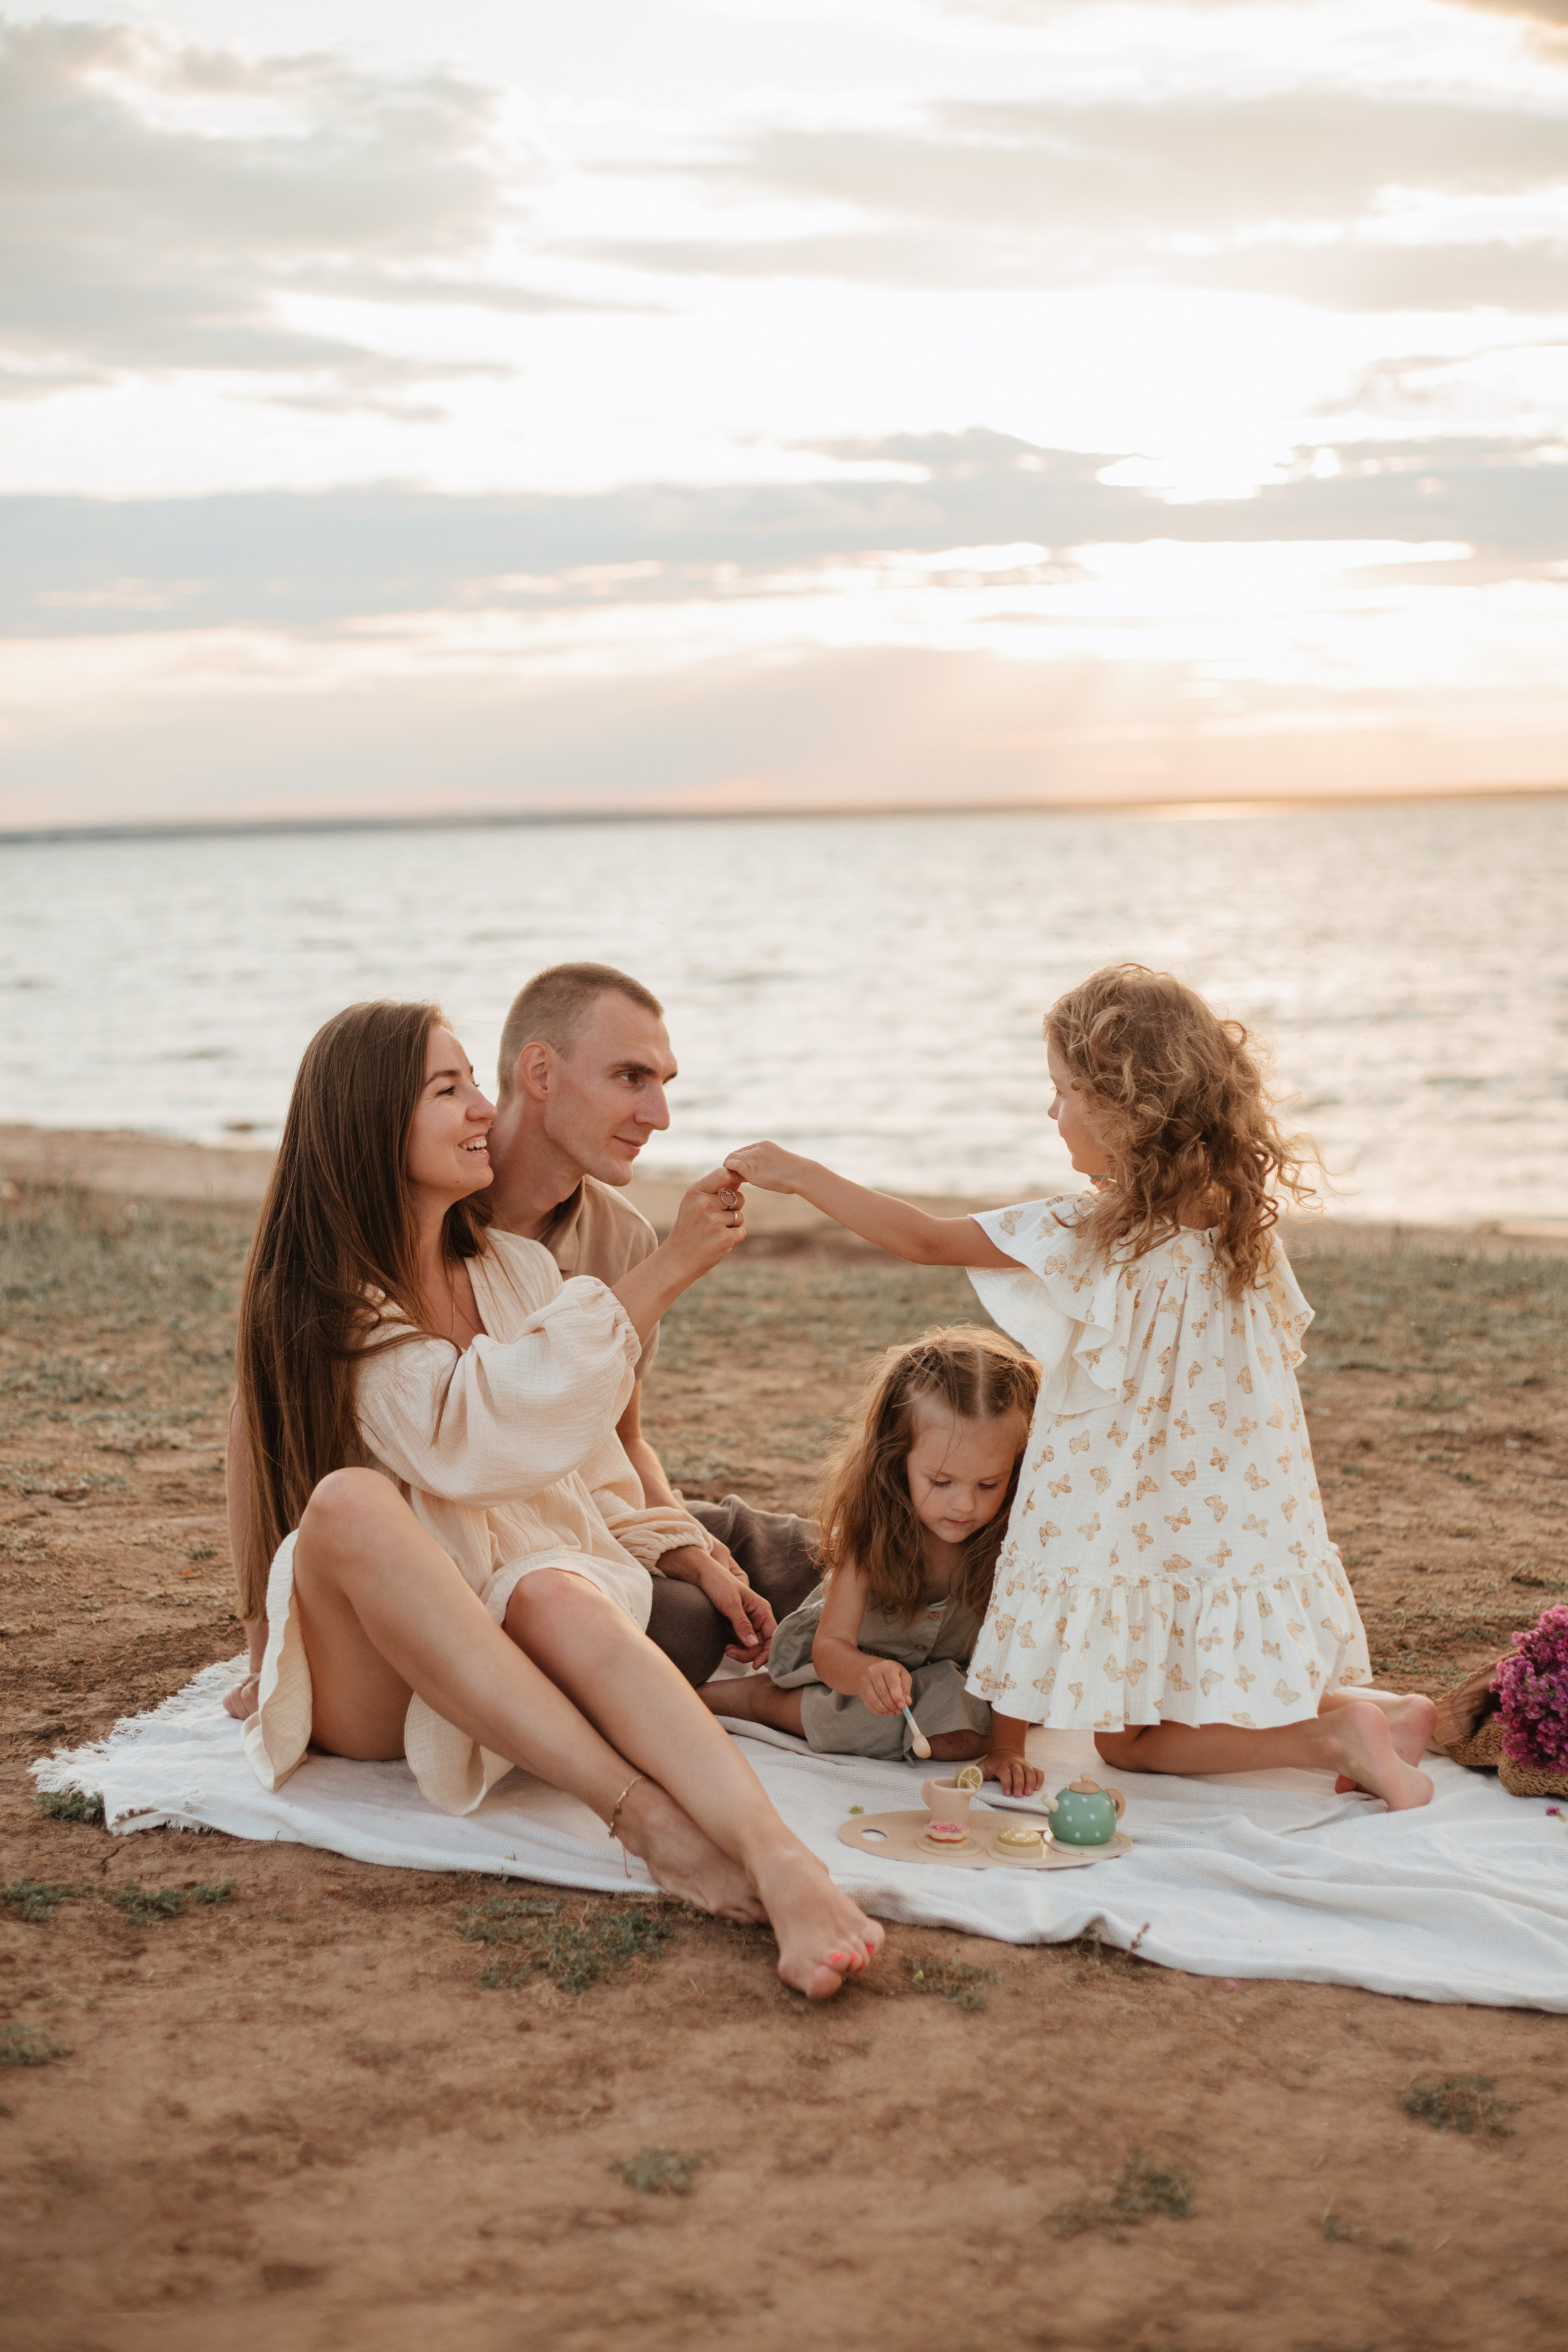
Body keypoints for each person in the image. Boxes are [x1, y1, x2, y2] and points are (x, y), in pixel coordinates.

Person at [235, 998, 883, 1999]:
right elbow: (467, 1436)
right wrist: (252, 1634)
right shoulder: (327, 1303)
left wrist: (684, 1546)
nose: (481, 1109)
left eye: (475, 1085)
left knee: (555, 1585)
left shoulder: (520, 1269)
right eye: (449, 1090)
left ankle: (780, 1857)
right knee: (355, 1504)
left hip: (513, 1638)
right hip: (388, 1671)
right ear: (372, 1122)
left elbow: (588, 1462)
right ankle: (645, 1820)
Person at [725, 964, 1438, 1810]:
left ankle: (1332, 1732)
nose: (1052, 1111)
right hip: (1228, 1510)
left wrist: (799, 1173)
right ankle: (1383, 1714)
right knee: (1186, 1689)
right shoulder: (1245, 1231)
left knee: (1127, 1745)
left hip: (1126, 1514)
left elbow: (922, 1238)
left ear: (1121, 1107)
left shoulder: (1093, 1233)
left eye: (1061, 1092)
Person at [224, 962, 818, 1717]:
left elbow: (620, 1443)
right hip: (459, 1545)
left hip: (574, 1508)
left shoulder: (618, 1237)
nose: (659, 1113)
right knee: (679, 1623)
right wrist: (260, 1635)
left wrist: (684, 1542)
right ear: (538, 1071)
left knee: (795, 1549)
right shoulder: (429, 1195)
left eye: (664, 1082)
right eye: (631, 1078)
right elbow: (267, 1418)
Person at [700, 1329, 1044, 1796]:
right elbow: (832, 1649)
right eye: (941, 1481)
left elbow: (1016, 1659)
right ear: (896, 1457)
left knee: (975, 1736)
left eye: (989, 1484)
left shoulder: (1018, 1544)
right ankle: (755, 1700)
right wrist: (864, 1674)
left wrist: (1008, 1749)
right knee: (846, 1719)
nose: (964, 1505)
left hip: (947, 1677)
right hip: (849, 1672)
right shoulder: (872, 1534)